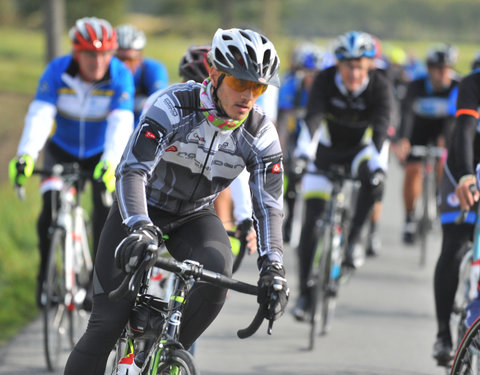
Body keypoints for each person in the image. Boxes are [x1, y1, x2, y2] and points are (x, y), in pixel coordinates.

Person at [63, 27, 289, 374]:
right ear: (214, 73)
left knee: (217, 274)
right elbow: (132, 171)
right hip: (140, 210)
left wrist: (273, 268)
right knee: (105, 326)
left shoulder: (260, 133)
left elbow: (269, 207)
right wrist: (139, 226)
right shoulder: (173, 105)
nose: (249, 95)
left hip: (194, 216)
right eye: (240, 83)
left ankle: (160, 356)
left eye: (258, 87)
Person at [8, 17, 135, 308]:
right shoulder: (57, 71)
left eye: (105, 53)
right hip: (61, 151)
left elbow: (121, 122)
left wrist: (110, 160)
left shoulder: (120, 75)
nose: (98, 60)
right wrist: (26, 153)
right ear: (76, 52)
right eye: (91, 53)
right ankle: (45, 278)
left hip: (99, 153)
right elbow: (40, 115)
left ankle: (97, 285)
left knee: (105, 216)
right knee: (49, 213)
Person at [292, 30, 393, 320]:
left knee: (374, 183)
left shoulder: (380, 86)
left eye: (360, 66)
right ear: (338, 64)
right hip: (326, 150)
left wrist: (378, 168)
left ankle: (355, 240)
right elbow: (311, 121)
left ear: (369, 66)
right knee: (311, 222)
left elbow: (382, 131)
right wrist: (301, 156)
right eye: (348, 65)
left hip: (360, 151)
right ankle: (305, 296)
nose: (354, 72)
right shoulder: (324, 81)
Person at [431, 57, 480, 366]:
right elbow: (462, 131)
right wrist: (465, 175)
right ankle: (443, 336)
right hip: (464, 166)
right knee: (455, 244)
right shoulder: (472, 84)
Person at [392, 44, 460, 244]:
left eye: (447, 68)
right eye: (438, 68)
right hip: (419, 129)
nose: (443, 73)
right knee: (413, 170)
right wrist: (403, 139)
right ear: (429, 69)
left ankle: (440, 199)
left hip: (444, 128)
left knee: (443, 164)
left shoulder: (458, 85)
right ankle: (409, 217)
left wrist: (447, 140)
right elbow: (406, 114)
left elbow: (455, 118)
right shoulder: (417, 85)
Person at [276, 41, 324, 243]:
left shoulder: (326, 88)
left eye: (316, 73)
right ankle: (291, 215)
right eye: (307, 72)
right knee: (291, 170)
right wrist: (280, 153)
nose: (311, 77)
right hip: (296, 132)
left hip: (320, 133)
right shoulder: (291, 85)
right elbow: (284, 120)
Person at [115, 24, 169, 126]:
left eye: (130, 60)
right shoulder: (103, 72)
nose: (124, 65)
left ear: (140, 56)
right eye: (119, 59)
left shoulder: (154, 70)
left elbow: (160, 107)